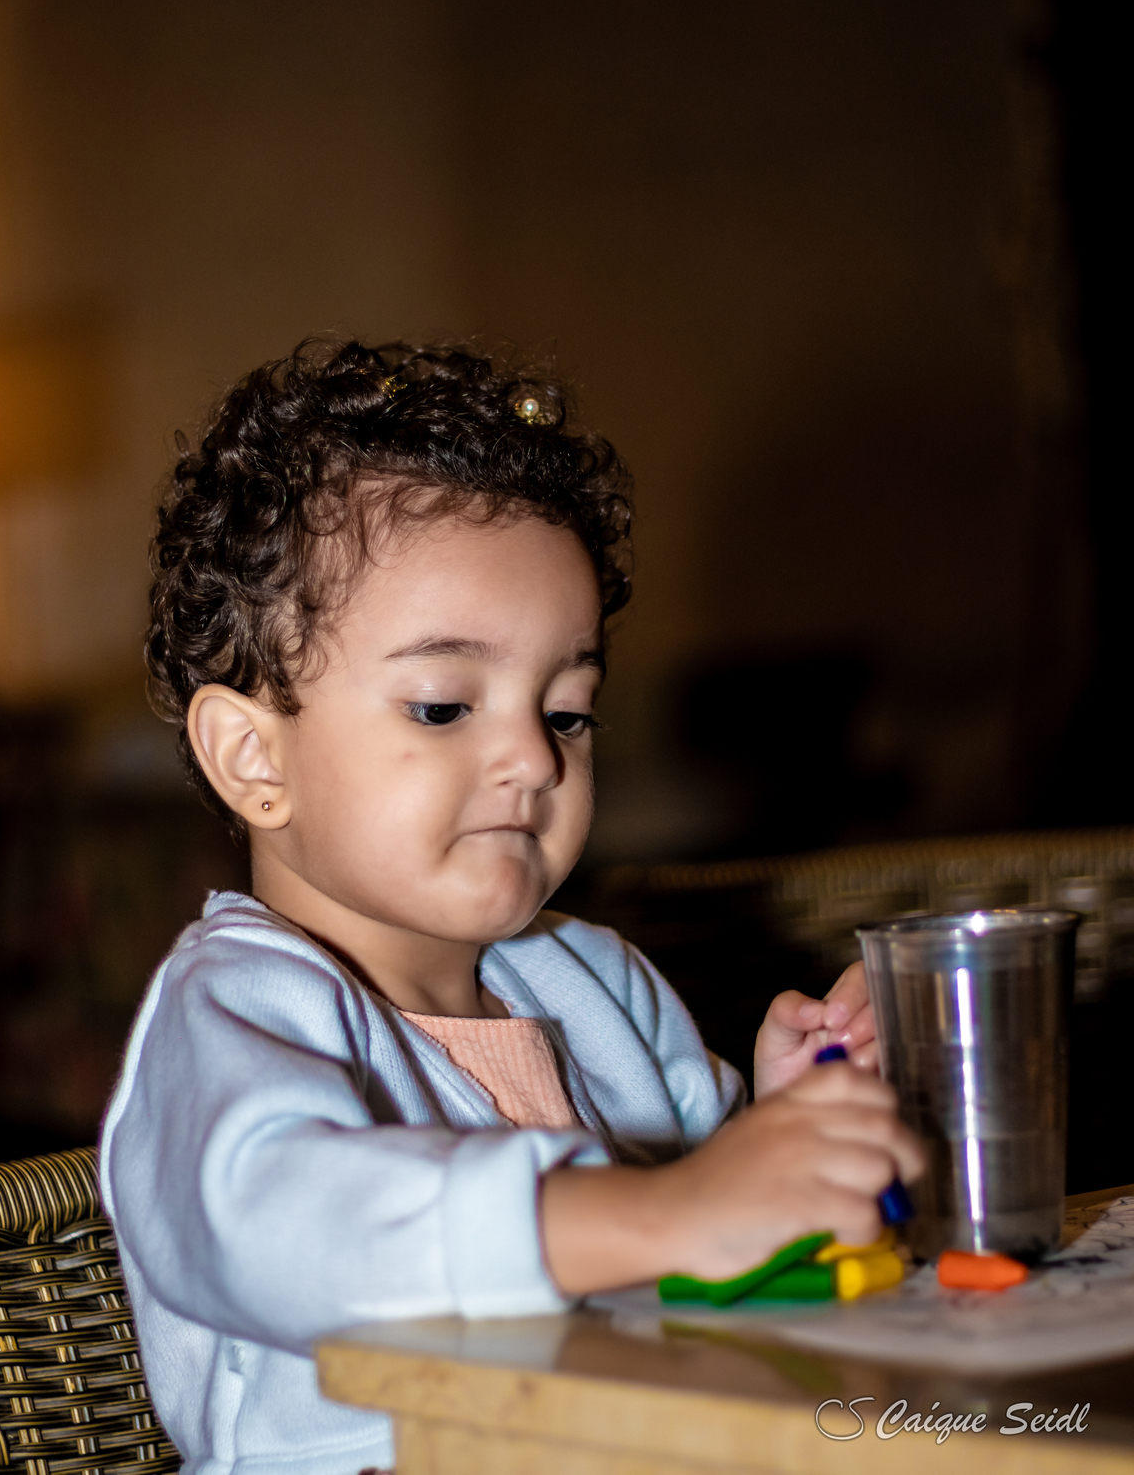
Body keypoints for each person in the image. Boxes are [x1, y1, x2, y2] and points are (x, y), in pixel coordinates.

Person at [100, 339, 923, 1475]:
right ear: (255, 757)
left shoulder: (598, 984)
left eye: (567, 711)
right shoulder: (238, 1010)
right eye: (444, 707)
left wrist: (782, 1136)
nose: (535, 758)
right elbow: (283, 1229)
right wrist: (671, 1213)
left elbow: (695, 1269)